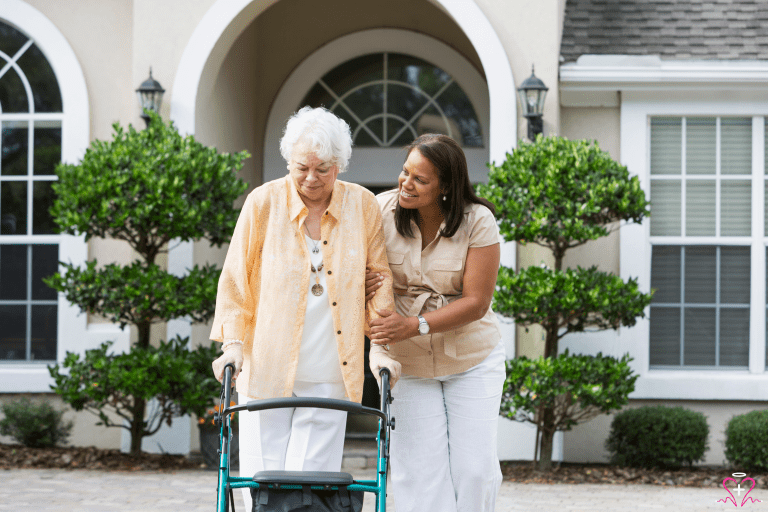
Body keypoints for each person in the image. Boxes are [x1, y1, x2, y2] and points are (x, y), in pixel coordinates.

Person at [209, 106, 401, 510]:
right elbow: (235, 280)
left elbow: (378, 280)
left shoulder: (362, 206)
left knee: (309, 489)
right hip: (267, 367)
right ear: (288, 161)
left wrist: (381, 348)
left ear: (340, 165)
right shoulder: (262, 203)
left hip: (332, 371)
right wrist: (232, 344)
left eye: (324, 168)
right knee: (262, 484)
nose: (311, 179)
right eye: (301, 168)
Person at [366, 133, 506, 512]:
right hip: (406, 363)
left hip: (471, 359)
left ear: (445, 186)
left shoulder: (478, 221)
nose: (405, 183)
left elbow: (477, 302)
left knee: (475, 471)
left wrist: (415, 325)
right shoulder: (379, 211)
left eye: (420, 179)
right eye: (405, 171)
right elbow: (355, 269)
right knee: (418, 473)